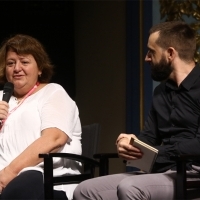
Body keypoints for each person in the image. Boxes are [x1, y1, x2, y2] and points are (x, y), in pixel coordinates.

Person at [73, 21, 200, 200]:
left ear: (170, 53)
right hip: (164, 171)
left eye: (152, 51)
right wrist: (131, 145)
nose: (146, 58)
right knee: (85, 190)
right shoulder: (161, 92)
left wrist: (158, 153)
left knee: (130, 188)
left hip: (193, 172)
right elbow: (149, 138)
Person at [0, 34, 82, 200]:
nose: (17, 68)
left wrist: (9, 173)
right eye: (11, 63)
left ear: (39, 69)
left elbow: (54, 139)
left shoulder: (53, 92)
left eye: (24, 62)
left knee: (24, 184)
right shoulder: (1, 97)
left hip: (44, 180)